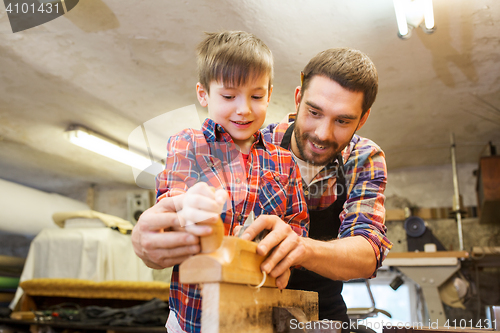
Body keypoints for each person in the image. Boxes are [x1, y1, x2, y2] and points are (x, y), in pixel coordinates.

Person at [132, 47, 392, 329]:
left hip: (319, 310)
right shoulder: (253, 143)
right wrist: (151, 238)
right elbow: (179, 204)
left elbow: (368, 252)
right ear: (298, 98)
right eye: (314, 112)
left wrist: (300, 247)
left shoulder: (364, 157)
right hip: (245, 307)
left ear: (363, 118)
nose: (322, 133)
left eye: (342, 120)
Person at [153, 31, 309, 333]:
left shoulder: (284, 161)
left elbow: (298, 226)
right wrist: (192, 213)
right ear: (203, 94)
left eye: (256, 96)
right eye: (228, 96)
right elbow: (169, 208)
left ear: (269, 93)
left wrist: (286, 256)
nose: (244, 109)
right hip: (192, 317)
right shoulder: (188, 144)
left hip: (258, 315)